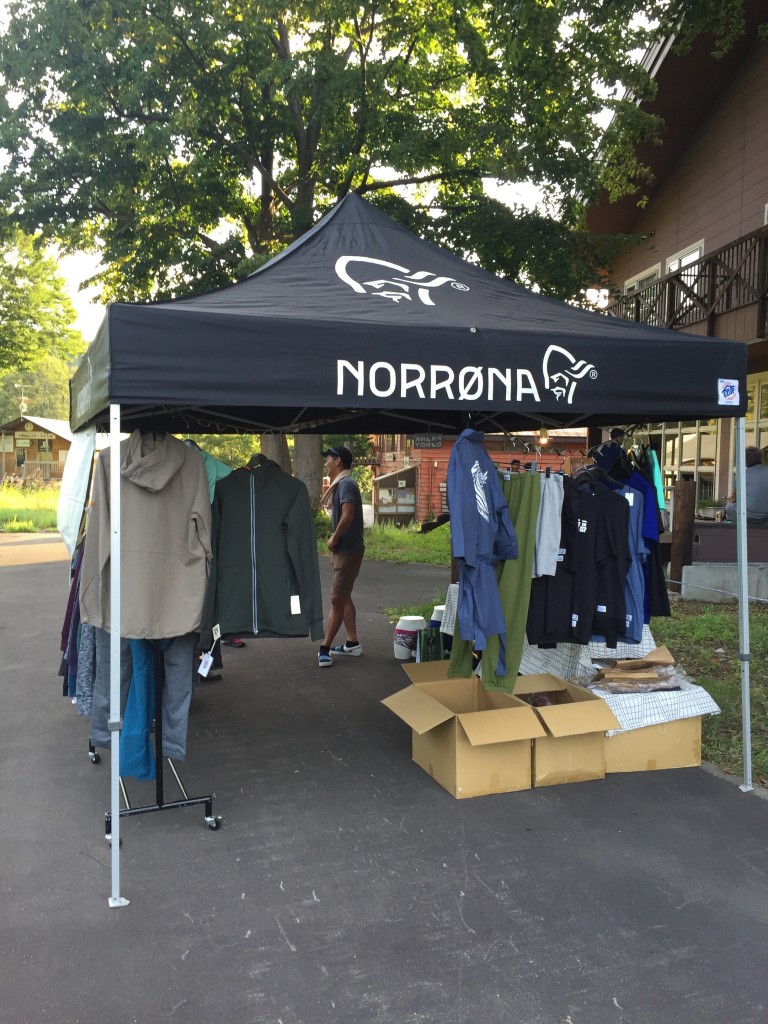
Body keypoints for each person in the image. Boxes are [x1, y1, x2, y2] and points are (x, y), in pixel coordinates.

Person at [318, 445, 365, 668]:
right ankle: (352, 642)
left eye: (328, 459)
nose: (325, 463)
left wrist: (333, 539)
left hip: (347, 550)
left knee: (337, 599)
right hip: (345, 550)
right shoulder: (344, 483)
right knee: (344, 596)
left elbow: (347, 516)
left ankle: (324, 647)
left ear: (338, 461)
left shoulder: (346, 484)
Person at [725, 446, 768, 525]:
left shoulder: (741, 474)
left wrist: (730, 500)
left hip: (746, 516)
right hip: (765, 518)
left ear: (745, 461)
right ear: (761, 458)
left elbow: (734, 498)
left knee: (728, 507)